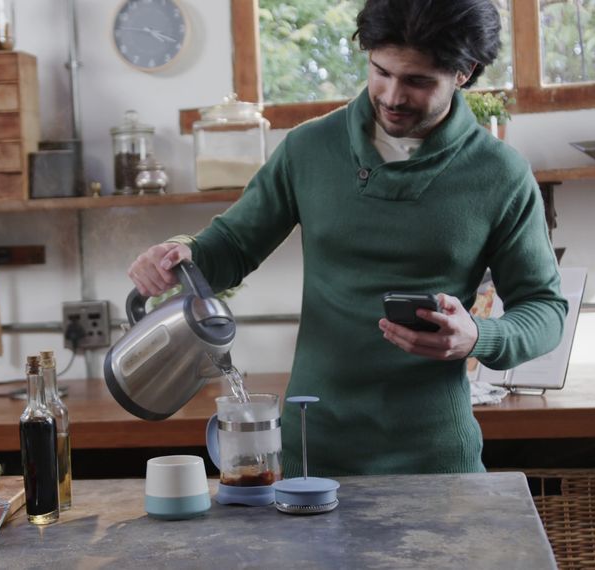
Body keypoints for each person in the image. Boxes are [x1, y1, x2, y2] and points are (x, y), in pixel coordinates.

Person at [127, 0, 567, 476]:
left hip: (436, 456)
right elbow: (233, 243)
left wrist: (479, 335)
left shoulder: (500, 173)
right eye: (381, 71)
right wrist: (181, 254)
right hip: (312, 448)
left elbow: (545, 310)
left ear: (465, 72)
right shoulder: (309, 148)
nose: (393, 95)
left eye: (418, 81)